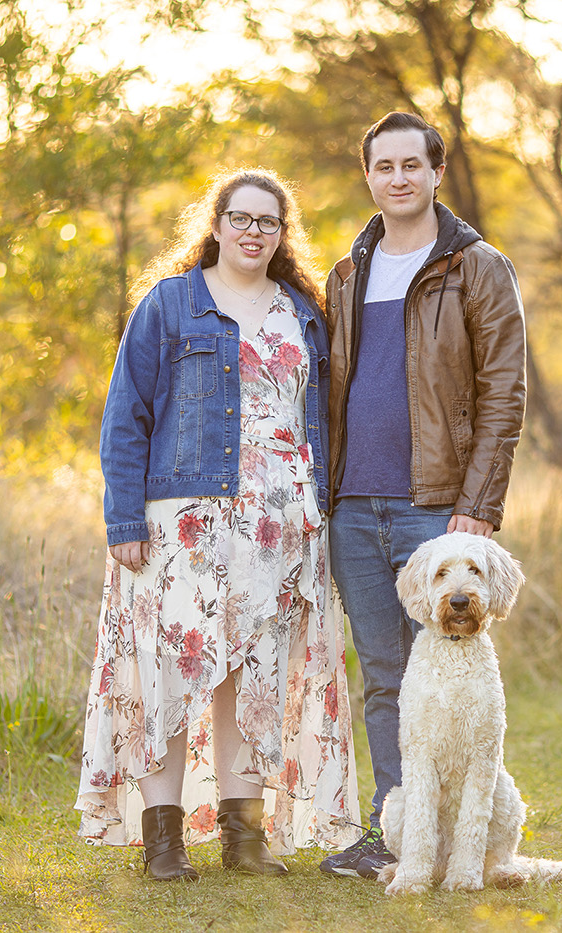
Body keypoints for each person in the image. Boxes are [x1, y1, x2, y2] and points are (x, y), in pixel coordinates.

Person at [76, 168, 359, 881]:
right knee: (166, 673)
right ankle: (164, 842)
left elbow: (317, 418)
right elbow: (125, 418)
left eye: (269, 221)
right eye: (241, 217)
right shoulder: (170, 305)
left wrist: (322, 512)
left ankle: (244, 837)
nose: (254, 231)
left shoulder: (302, 312)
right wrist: (122, 520)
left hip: (281, 526)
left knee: (254, 677)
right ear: (216, 222)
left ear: (281, 232)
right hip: (186, 524)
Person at [318, 112, 528, 879]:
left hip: (435, 506)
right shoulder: (348, 272)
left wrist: (477, 506)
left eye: (414, 164)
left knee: (446, 667)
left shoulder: (477, 265)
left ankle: (458, 838)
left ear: (438, 172)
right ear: (368, 175)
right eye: (384, 166)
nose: (399, 177)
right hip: (352, 507)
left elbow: (503, 393)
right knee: (383, 673)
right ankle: (399, 833)